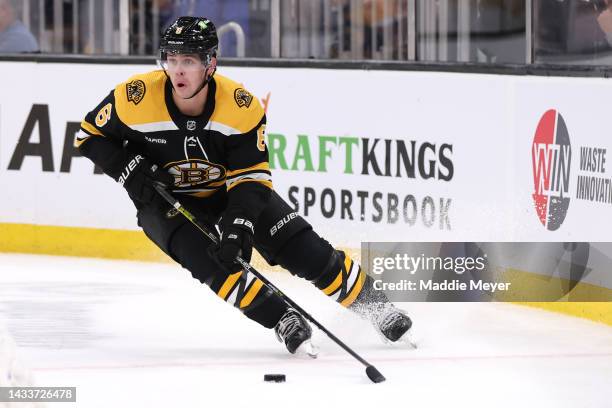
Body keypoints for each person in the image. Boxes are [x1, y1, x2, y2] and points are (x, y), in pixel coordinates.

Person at [75, 16, 412, 356]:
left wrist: (239, 225)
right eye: (172, 59)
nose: (177, 71)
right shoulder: (134, 97)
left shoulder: (240, 106)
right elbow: (87, 136)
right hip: (165, 203)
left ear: (211, 64)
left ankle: (379, 308)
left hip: (228, 193)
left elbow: (251, 177)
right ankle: (283, 319)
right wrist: (128, 169)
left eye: (188, 61)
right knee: (216, 268)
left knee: (304, 250)